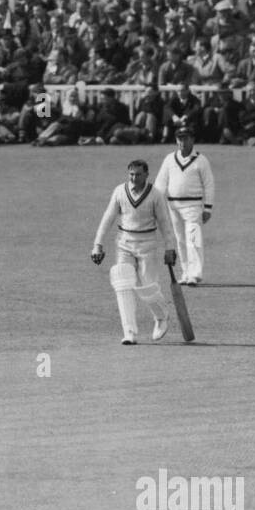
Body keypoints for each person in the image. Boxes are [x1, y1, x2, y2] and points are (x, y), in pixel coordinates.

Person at [90, 159, 179, 345]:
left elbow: (165, 223)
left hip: (147, 244)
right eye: (131, 174)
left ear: (147, 175)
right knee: (122, 283)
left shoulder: (156, 195)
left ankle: (161, 316)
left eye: (138, 174)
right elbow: (108, 217)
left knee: (147, 287)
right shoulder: (119, 191)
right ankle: (129, 332)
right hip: (124, 243)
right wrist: (98, 244)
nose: (134, 178)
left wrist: (170, 248)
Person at [153, 121, 214, 286]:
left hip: (193, 207)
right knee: (180, 240)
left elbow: (209, 184)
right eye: (179, 139)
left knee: (193, 240)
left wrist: (207, 207)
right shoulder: (169, 159)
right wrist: (155, 205)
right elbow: (160, 184)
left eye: (185, 139)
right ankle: (186, 273)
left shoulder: (201, 160)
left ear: (192, 140)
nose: (182, 142)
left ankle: (195, 274)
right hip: (173, 207)